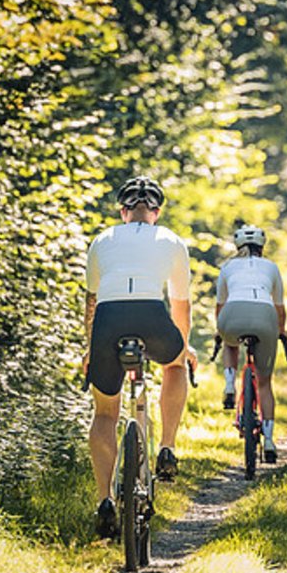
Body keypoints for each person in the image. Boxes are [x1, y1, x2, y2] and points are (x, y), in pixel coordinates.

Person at [83, 176, 198, 538]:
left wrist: (90, 348)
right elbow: (181, 306)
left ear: (123, 211)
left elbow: (91, 304)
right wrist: (183, 346)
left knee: (104, 412)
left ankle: (105, 500)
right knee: (176, 363)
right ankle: (167, 447)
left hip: (108, 321)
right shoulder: (172, 241)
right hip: (151, 317)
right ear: (156, 212)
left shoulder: (101, 240)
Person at [215, 223, 287, 463]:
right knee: (265, 383)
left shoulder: (227, 267)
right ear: (262, 246)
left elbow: (220, 306)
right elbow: (279, 308)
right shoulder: (272, 267)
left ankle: (229, 383)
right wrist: (281, 331)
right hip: (265, 316)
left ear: (237, 246)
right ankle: (268, 441)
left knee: (229, 342)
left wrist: (220, 330)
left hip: (232, 314)